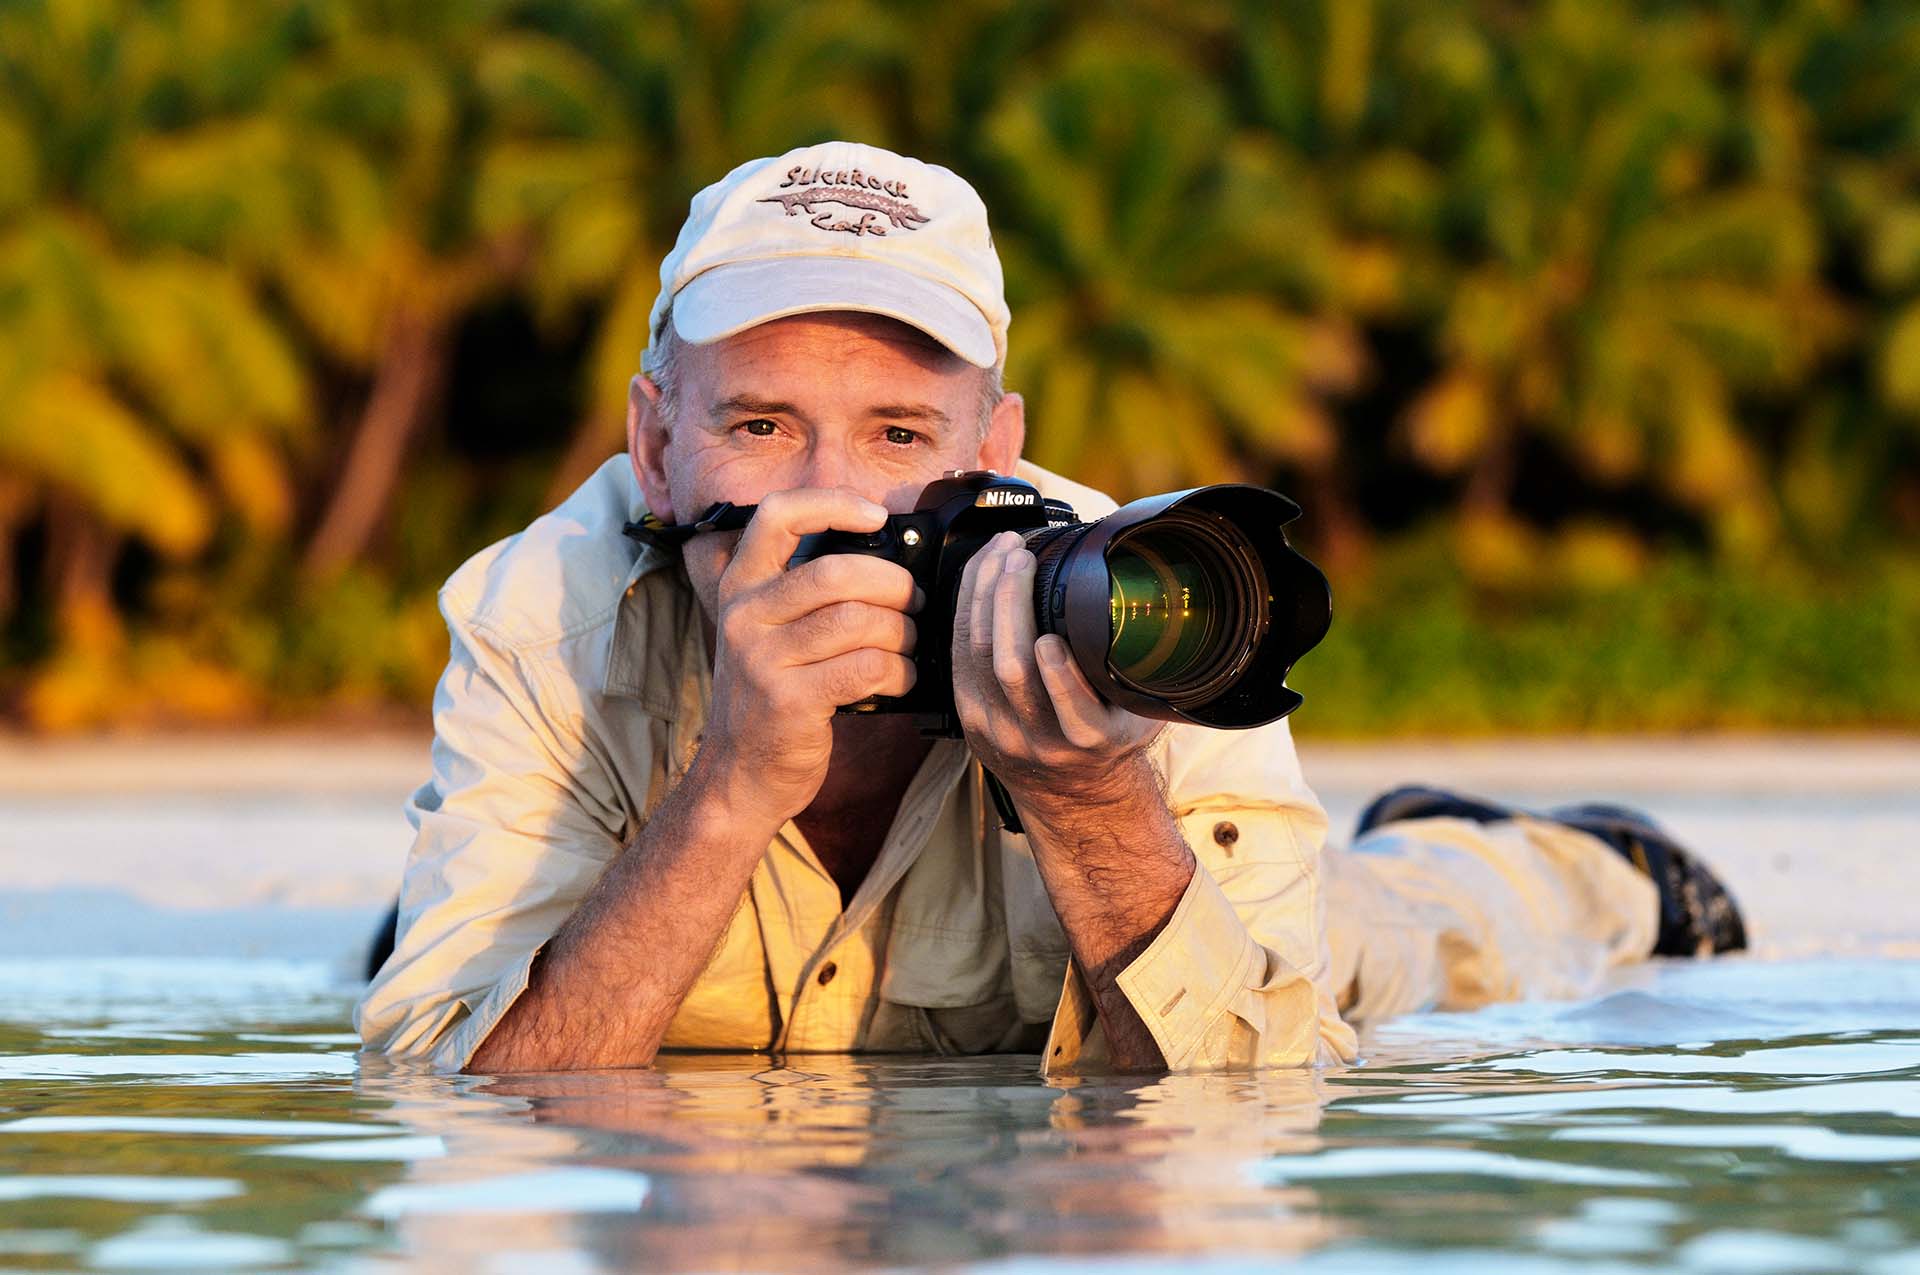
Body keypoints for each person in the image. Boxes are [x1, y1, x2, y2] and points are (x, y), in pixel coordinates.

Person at [356, 141, 1744, 1076]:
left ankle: (1549, 854)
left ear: (998, 450)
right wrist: (729, 789)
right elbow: (450, 1102)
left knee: (1406, 941)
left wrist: (1091, 809)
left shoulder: (1148, 597)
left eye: (902, 434)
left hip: (1295, 917)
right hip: (668, 880)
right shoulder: (541, 609)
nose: (837, 499)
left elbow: (1249, 1104)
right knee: (464, 962)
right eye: (765, 426)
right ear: (655, 449)